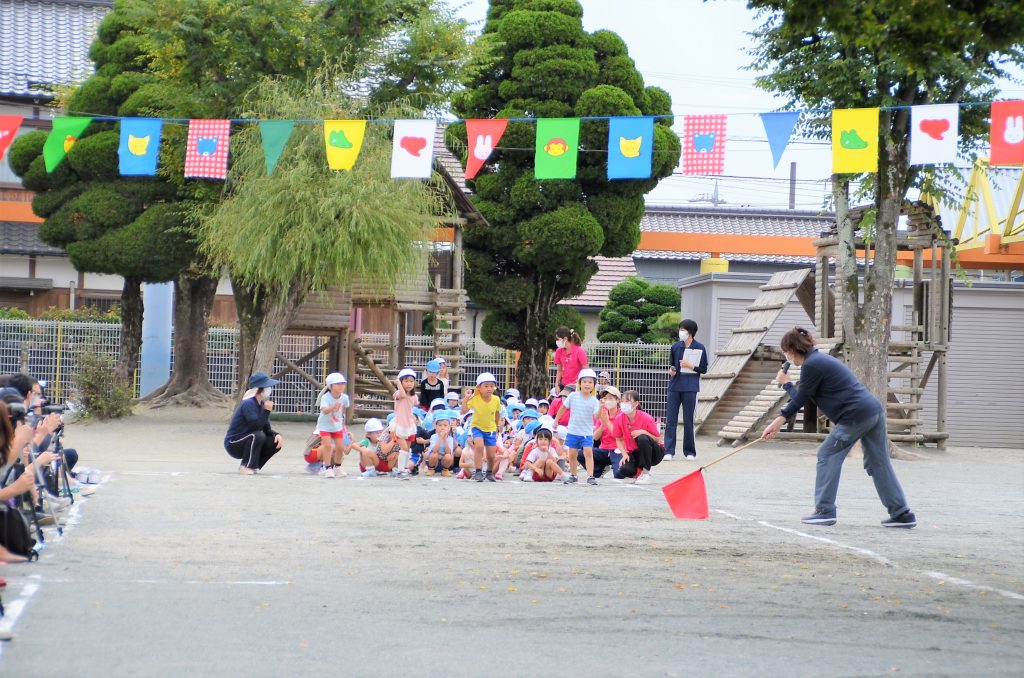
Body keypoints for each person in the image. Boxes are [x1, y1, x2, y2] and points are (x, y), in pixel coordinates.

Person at [762, 327, 917, 528]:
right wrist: (787, 388)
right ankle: (902, 514)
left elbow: (799, 399)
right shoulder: (818, 361)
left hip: (855, 416)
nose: (786, 356)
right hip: (873, 411)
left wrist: (779, 412)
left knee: (827, 454)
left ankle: (824, 511)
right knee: (878, 463)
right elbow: (805, 396)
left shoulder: (812, 365)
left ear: (791, 351)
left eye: (785, 352)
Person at [665, 319, 708, 460]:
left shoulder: (700, 347)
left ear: (691, 332)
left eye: (683, 330)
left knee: (689, 420)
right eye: (680, 329)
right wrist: (671, 370)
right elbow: (672, 364)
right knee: (671, 420)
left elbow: (704, 369)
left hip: (690, 387)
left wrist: (691, 365)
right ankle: (668, 451)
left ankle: (689, 452)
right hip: (675, 386)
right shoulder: (675, 346)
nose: (680, 332)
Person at [224, 372, 283, 474]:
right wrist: (267, 411)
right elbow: (255, 426)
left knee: (274, 441)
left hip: (250, 438)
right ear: (260, 389)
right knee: (258, 435)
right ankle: (246, 466)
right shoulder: (248, 403)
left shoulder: (262, 404)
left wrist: (276, 435)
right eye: (267, 387)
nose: (269, 390)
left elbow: (266, 428)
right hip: (233, 443)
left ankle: (253, 465)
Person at [613, 390, 664, 484]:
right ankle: (638, 471)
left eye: (628, 401)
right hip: (635, 453)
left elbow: (657, 439)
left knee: (642, 438)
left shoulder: (646, 418)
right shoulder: (619, 418)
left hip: (654, 453)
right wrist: (624, 454)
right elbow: (618, 439)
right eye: (623, 401)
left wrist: (644, 432)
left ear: (636, 403)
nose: (624, 403)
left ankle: (645, 473)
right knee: (624, 470)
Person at [562, 368, 602, 485]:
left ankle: (590, 476)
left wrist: (600, 407)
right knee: (572, 454)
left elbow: (597, 417)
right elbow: (563, 408)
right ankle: (574, 475)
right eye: (584, 381)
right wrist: (556, 421)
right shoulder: (573, 396)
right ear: (579, 383)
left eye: (590, 382)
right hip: (573, 431)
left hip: (587, 432)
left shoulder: (595, 401)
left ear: (594, 385)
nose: (587, 384)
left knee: (588, 453)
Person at [461, 371, 503, 482]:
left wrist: (497, 424)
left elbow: (497, 412)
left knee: (491, 454)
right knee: (479, 446)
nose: (489, 388)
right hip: (477, 427)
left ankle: (489, 472)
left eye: (492, 386)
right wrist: (466, 398)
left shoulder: (496, 399)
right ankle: (478, 471)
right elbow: (463, 411)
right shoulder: (475, 399)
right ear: (479, 387)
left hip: (490, 429)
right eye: (486, 386)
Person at [314, 372, 350, 478]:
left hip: (337, 426)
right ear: (331, 386)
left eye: (343, 384)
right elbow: (324, 410)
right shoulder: (326, 397)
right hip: (325, 426)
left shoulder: (344, 398)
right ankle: (327, 468)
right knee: (328, 446)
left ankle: (337, 467)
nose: (341, 386)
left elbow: (343, 410)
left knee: (340, 447)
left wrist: (342, 423)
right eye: (338, 384)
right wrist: (333, 407)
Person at [392, 368, 419, 479]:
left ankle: (405, 469)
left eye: (411, 381)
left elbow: (411, 406)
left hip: (409, 425)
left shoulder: (414, 396)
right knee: (403, 447)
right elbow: (402, 395)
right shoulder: (398, 393)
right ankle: (401, 470)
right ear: (401, 382)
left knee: (407, 448)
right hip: (399, 425)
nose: (409, 384)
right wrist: (398, 382)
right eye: (406, 381)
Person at [593, 385, 622, 476]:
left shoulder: (622, 415)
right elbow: (595, 437)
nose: (607, 401)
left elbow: (618, 435)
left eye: (610, 398)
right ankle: (599, 469)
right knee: (582, 453)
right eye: (605, 398)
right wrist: (602, 424)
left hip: (618, 449)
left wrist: (607, 421)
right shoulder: (602, 413)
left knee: (618, 474)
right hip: (604, 449)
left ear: (617, 400)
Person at [553, 326, 588, 392]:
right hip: (564, 384)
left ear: (565, 339)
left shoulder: (579, 351)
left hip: (577, 385)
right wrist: (556, 384)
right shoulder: (559, 351)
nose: (557, 341)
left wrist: (582, 384)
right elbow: (559, 370)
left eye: (558, 339)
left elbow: (585, 369)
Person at [425, 411, 457, 476]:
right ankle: (431, 469)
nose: (442, 427)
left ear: (449, 427)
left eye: (445, 425)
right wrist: (440, 438)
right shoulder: (434, 436)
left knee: (448, 456)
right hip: (433, 461)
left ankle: (445, 470)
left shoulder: (450, 439)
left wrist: (445, 439)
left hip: (444, 462)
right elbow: (434, 450)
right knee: (434, 454)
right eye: (440, 425)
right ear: (436, 427)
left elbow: (448, 452)